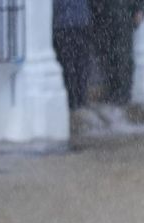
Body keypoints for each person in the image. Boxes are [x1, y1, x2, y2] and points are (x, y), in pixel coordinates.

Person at [92, 0, 144, 123]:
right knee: (107, 57)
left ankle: (123, 94)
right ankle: (113, 92)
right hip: (104, 16)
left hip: (123, 15)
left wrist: (140, 9)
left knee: (122, 56)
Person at [52, 0, 94, 132]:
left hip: (65, 24)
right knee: (78, 64)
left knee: (70, 65)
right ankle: (78, 100)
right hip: (78, 22)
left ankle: (74, 101)